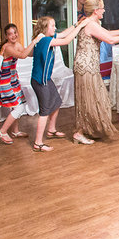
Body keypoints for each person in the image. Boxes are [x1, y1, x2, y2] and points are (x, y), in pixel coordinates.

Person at [74, 0, 119, 143]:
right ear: (96, 11)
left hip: (91, 65)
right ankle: (79, 132)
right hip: (85, 67)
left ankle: (86, 129)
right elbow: (111, 40)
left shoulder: (94, 23)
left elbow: (108, 33)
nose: (104, 10)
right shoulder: (90, 25)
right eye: (102, 8)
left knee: (96, 98)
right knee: (87, 100)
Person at [30, 16, 86, 152]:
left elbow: (62, 34)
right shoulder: (44, 40)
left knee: (57, 101)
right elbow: (66, 40)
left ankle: (51, 129)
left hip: (45, 79)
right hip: (40, 81)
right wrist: (81, 27)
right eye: (52, 25)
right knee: (44, 111)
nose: (55, 28)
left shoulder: (44, 37)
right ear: (44, 28)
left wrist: (76, 24)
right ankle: (38, 143)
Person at [0, 23, 39, 145]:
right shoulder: (7, 47)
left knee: (17, 105)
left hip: (13, 79)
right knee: (19, 107)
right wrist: (34, 41)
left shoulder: (17, 45)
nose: (13, 35)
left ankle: (15, 131)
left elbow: (28, 53)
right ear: (6, 36)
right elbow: (23, 55)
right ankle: (2, 131)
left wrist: (39, 46)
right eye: (10, 34)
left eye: (15, 32)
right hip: (5, 81)